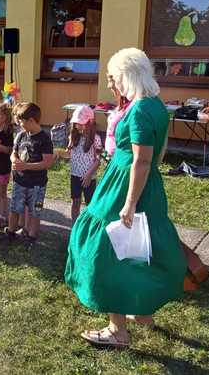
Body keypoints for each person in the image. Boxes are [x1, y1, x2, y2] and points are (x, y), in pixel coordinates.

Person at [65, 48, 186, 349]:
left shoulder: (141, 109)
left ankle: (117, 330)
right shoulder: (156, 104)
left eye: (113, 77)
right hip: (146, 184)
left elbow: (141, 160)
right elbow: (158, 152)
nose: (111, 84)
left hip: (125, 185)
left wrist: (129, 203)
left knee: (106, 248)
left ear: (127, 75)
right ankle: (142, 310)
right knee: (139, 247)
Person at [6, 102, 54, 241]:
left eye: (21, 121)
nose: (19, 124)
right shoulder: (21, 135)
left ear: (31, 120)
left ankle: (31, 236)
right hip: (19, 182)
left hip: (37, 185)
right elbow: (13, 152)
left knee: (35, 211)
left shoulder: (44, 139)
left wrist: (26, 166)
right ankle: (10, 231)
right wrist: (14, 160)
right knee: (15, 208)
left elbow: (47, 163)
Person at [68, 105, 102, 223]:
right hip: (75, 175)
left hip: (89, 178)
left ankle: (88, 228)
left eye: (81, 123)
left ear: (90, 123)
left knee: (90, 205)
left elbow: (98, 160)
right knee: (75, 202)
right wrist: (57, 154)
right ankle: (75, 227)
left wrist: (88, 175)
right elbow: (69, 154)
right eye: (76, 123)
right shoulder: (73, 136)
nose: (78, 126)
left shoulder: (96, 138)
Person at [104, 74, 131, 158]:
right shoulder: (121, 104)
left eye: (110, 81)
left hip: (120, 156)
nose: (108, 86)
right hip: (111, 155)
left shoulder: (131, 107)